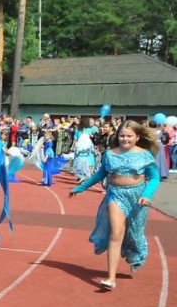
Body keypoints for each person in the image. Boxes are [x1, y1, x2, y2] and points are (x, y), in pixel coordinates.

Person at [69, 121, 161, 291]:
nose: (125, 139)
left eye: (129, 136)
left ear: (137, 137)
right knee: (115, 233)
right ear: (117, 137)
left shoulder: (145, 155)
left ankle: (136, 255)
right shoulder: (110, 154)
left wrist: (147, 195)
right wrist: (80, 187)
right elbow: (100, 174)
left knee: (135, 233)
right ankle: (110, 278)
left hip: (138, 197)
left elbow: (154, 178)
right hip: (116, 195)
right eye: (122, 136)